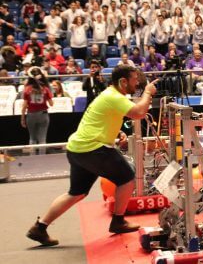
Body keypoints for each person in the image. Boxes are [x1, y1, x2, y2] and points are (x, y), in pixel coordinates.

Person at [26, 65, 158, 246]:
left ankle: (39, 228)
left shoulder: (110, 95)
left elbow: (101, 119)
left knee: (76, 193)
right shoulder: (114, 96)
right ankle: (118, 221)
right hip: (92, 148)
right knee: (127, 178)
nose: (137, 83)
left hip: (78, 148)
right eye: (134, 79)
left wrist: (116, 131)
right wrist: (148, 94)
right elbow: (138, 113)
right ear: (123, 81)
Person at [21, 67, 54, 155]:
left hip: (31, 115)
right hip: (43, 115)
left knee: (32, 138)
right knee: (42, 139)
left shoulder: (27, 89)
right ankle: (42, 159)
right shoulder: (45, 89)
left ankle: (32, 158)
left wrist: (22, 118)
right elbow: (51, 104)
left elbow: (24, 106)